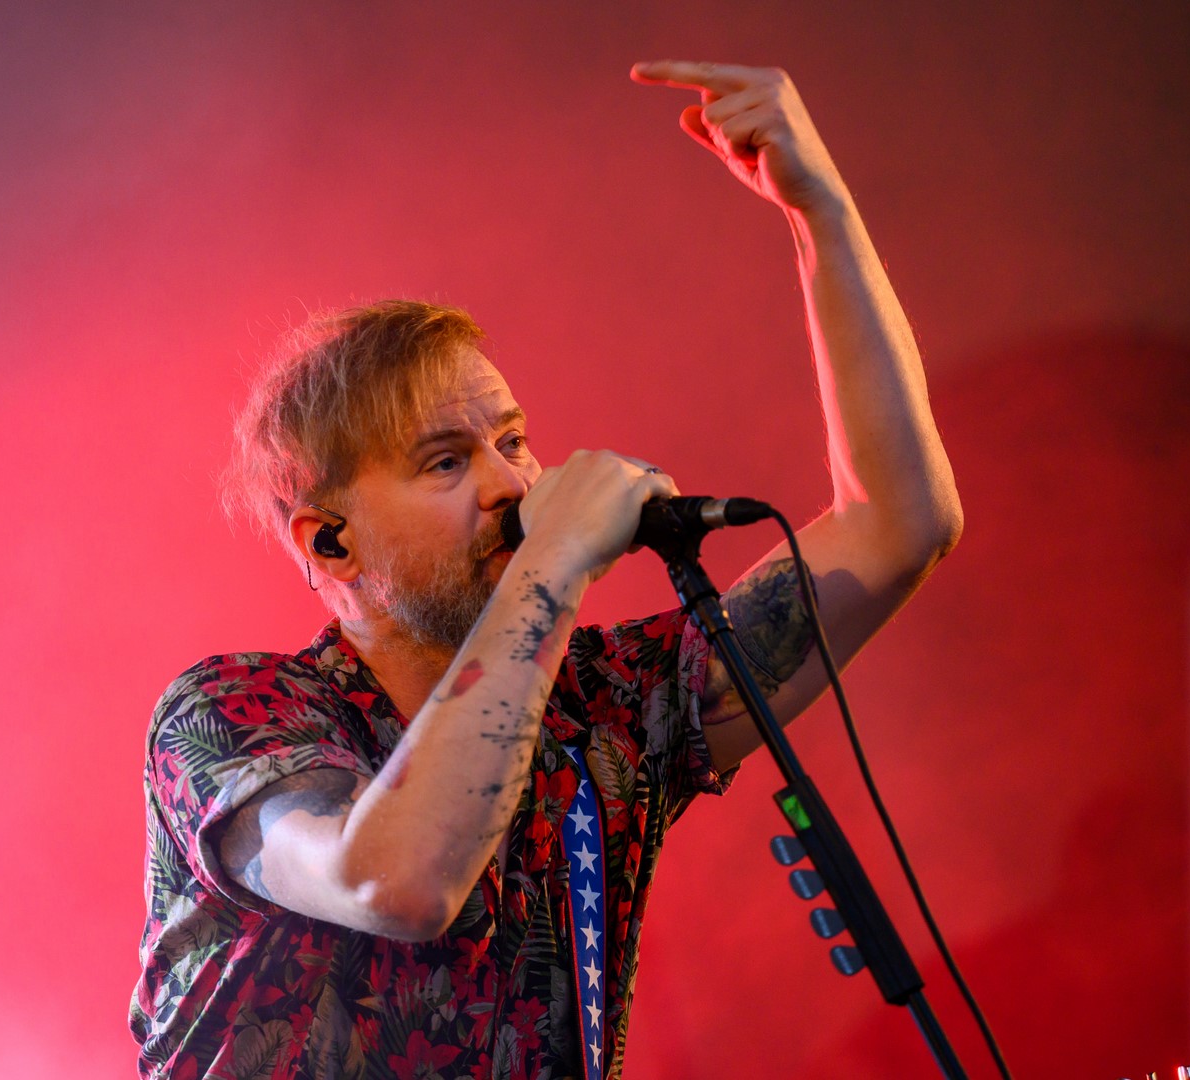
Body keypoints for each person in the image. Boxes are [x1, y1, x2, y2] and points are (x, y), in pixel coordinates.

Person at [130, 60, 963, 1080]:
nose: (511, 484)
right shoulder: (233, 714)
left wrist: (819, 214)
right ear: (330, 542)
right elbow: (393, 880)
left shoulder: (602, 713)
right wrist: (556, 563)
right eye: (446, 462)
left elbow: (896, 527)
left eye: (513, 441)